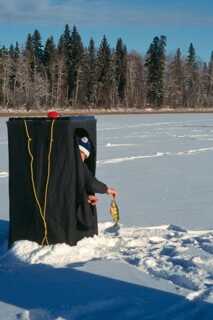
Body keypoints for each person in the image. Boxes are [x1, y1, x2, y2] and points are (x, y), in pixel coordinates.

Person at [75, 136, 117, 238]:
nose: (82, 157)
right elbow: (90, 182)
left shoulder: (65, 164)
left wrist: (86, 197)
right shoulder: (78, 165)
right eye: (81, 154)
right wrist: (106, 189)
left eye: (84, 155)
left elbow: (73, 188)